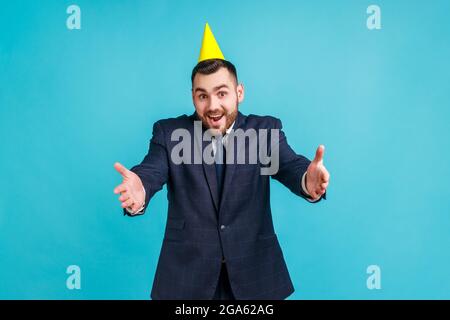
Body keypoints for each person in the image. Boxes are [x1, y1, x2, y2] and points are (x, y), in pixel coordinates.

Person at [113, 23, 330, 300]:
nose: (213, 105)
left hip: (255, 276)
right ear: (193, 96)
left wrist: (307, 181)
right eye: (203, 95)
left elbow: (289, 165)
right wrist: (140, 189)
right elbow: (152, 170)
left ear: (239, 92)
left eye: (221, 93)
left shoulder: (263, 132)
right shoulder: (170, 133)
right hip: (187, 279)